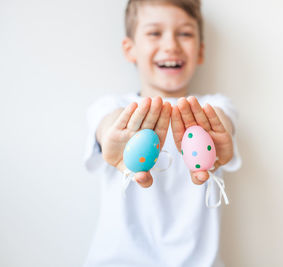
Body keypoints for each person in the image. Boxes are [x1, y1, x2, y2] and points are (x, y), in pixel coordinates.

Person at [83, 0, 241, 266]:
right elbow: (106, 124)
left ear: (200, 52)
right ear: (130, 49)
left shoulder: (214, 107)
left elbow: (223, 121)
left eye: (185, 33)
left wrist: (217, 133)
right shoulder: (111, 107)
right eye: (155, 33)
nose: (171, 45)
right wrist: (114, 133)